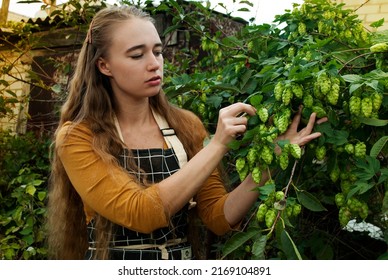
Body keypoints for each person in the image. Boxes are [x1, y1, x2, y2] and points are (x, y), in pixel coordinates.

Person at [47, 5, 326, 260]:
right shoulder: (78, 137)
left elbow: (218, 217)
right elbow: (141, 212)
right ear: (104, 65)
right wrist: (217, 146)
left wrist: (271, 161)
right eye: (136, 54)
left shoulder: (185, 125)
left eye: (157, 51)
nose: (154, 63)